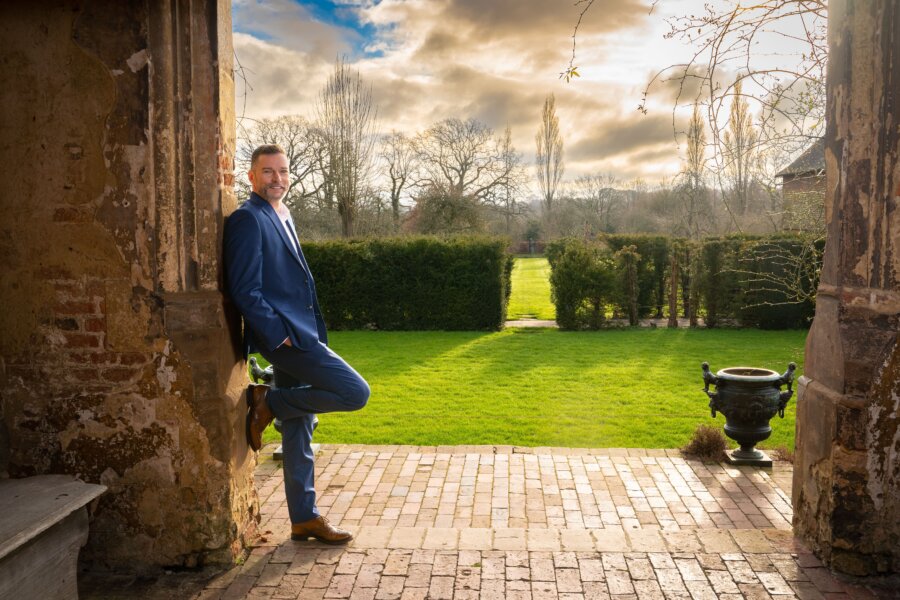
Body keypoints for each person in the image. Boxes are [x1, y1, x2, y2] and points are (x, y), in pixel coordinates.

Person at [224, 144, 369, 545]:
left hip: (300, 330)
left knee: (299, 429)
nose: (277, 179)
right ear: (251, 177)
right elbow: (244, 289)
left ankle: (304, 518)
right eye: (268, 172)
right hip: (287, 339)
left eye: (283, 171)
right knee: (355, 392)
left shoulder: (283, 215)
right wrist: (278, 334)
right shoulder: (247, 219)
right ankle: (269, 403)